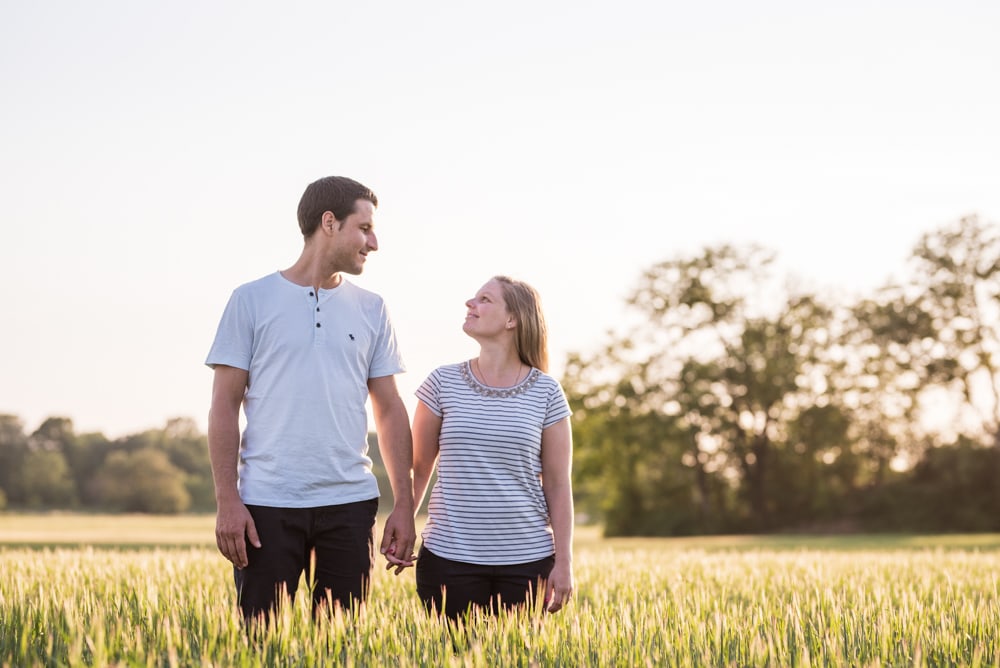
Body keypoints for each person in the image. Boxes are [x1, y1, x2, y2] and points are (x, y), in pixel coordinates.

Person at [205, 176, 416, 624]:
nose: (373, 242)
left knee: (339, 647)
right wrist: (228, 500)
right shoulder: (251, 300)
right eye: (364, 228)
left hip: (350, 503)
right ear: (329, 223)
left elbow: (391, 409)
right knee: (261, 645)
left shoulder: (373, 308)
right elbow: (223, 406)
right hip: (266, 504)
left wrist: (404, 503)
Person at [410, 275, 575, 620]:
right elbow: (420, 465)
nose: (471, 304)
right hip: (448, 558)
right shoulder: (442, 382)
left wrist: (565, 562)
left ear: (512, 319)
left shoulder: (547, 392)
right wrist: (404, 520)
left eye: (484, 299)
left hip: (528, 562)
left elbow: (558, 485)